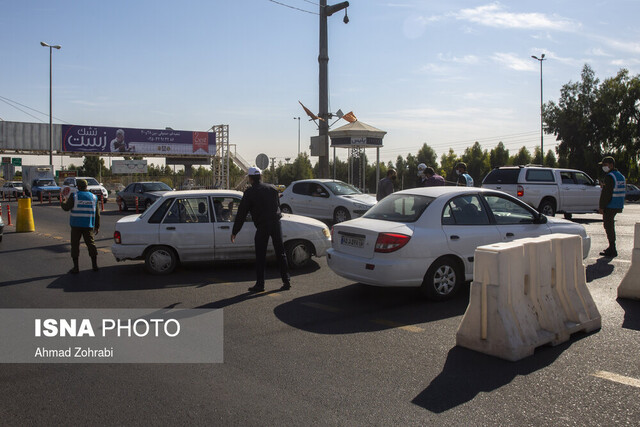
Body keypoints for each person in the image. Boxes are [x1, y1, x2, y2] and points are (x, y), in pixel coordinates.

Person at [231, 167, 290, 292]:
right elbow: (277, 206)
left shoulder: (249, 193)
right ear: (261, 177)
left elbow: (241, 214)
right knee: (281, 252)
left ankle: (260, 285)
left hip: (263, 226)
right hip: (275, 224)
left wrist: (235, 231)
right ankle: (286, 281)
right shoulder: (272, 189)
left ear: (250, 178)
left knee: (260, 255)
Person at [60, 179, 100, 274]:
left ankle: (76, 267)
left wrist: (63, 202)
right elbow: (97, 214)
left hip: (76, 225)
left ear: (78, 187)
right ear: (86, 186)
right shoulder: (94, 197)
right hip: (88, 225)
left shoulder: (75, 196)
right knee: (91, 245)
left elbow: (66, 208)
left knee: (75, 246)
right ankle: (95, 265)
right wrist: (97, 226)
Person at [598, 156, 625, 257]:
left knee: (608, 226)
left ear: (611, 165)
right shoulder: (620, 175)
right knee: (610, 226)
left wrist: (601, 206)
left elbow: (606, 193)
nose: (604, 167)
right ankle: (611, 247)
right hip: (618, 204)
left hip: (610, 205)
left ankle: (612, 248)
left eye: (605, 165)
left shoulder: (610, 176)